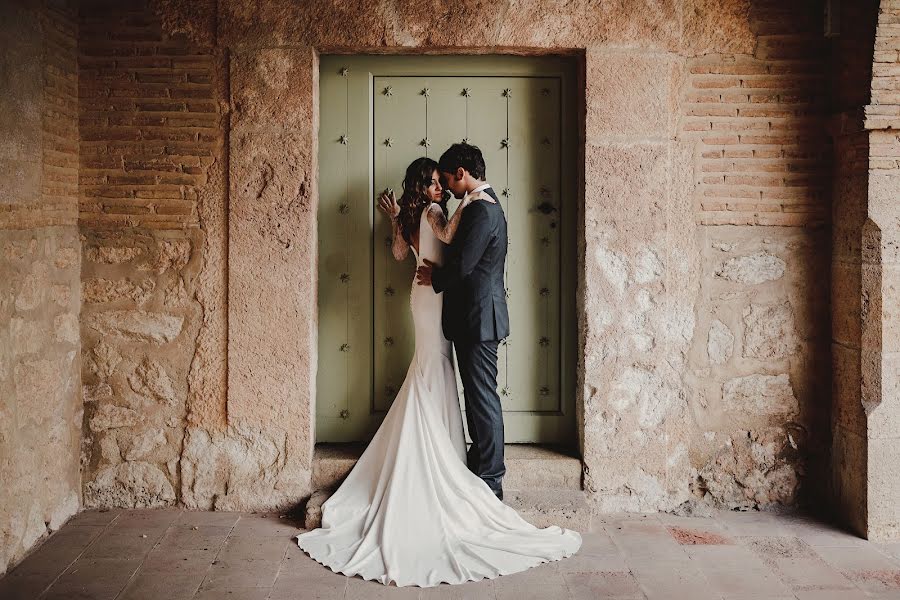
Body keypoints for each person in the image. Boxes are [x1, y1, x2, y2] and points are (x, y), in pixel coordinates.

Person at [295, 151, 581, 588]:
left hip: (441, 301)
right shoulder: (439, 212)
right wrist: (442, 226)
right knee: (444, 375)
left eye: (444, 180)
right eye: (435, 182)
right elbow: (451, 253)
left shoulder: (462, 210)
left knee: (454, 381)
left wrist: (401, 222)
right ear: (424, 186)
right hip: (439, 303)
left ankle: (485, 478)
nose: (442, 187)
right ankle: (462, 464)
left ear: (461, 175)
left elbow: (425, 258)